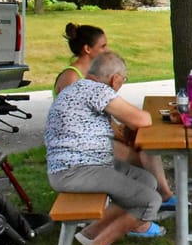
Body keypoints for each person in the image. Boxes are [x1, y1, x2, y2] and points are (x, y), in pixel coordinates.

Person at [44, 51, 166, 245]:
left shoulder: (78, 87)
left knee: (146, 180)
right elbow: (142, 119)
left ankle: (91, 234)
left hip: (80, 165)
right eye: (123, 80)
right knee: (149, 201)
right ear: (115, 79)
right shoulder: (96, 90)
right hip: (76, 170)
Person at [54, 22, 176, 209]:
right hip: (80, 150)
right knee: (144, 152)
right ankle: (154, 201)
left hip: (91, 142)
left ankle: (156, 198)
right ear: (87, 49)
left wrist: (121, 131)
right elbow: (78, 121)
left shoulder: (93, 74)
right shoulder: (73, 78)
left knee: (141, 144)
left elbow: (102, 115)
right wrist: (120, 134)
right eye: (103, 46)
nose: (107, 49)